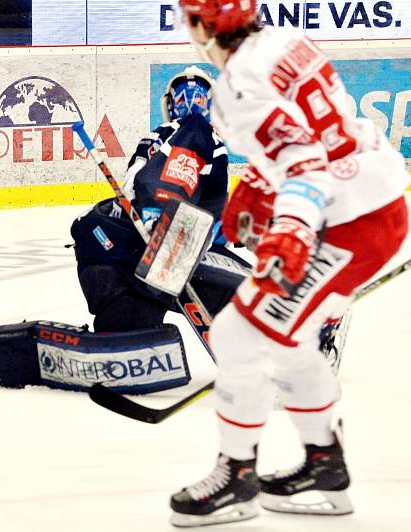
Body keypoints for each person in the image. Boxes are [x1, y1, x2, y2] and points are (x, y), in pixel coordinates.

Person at [168, 0, 409, 527]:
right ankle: (325, 466)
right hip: (376, 200)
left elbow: (304, 164)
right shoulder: (282, 41)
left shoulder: (238, 85)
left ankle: (236, 476)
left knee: (235, 334)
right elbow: (316, 133)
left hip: (347, 221)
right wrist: (259, 181)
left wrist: (291, 229)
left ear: (207, 25)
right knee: (289, 336)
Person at [71, 65, 238, 334]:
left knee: (130, 322)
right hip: (147, 240)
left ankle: (126, 346)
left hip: (119, 249)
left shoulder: (172, 140)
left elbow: (130, 185)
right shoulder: (200, 137)